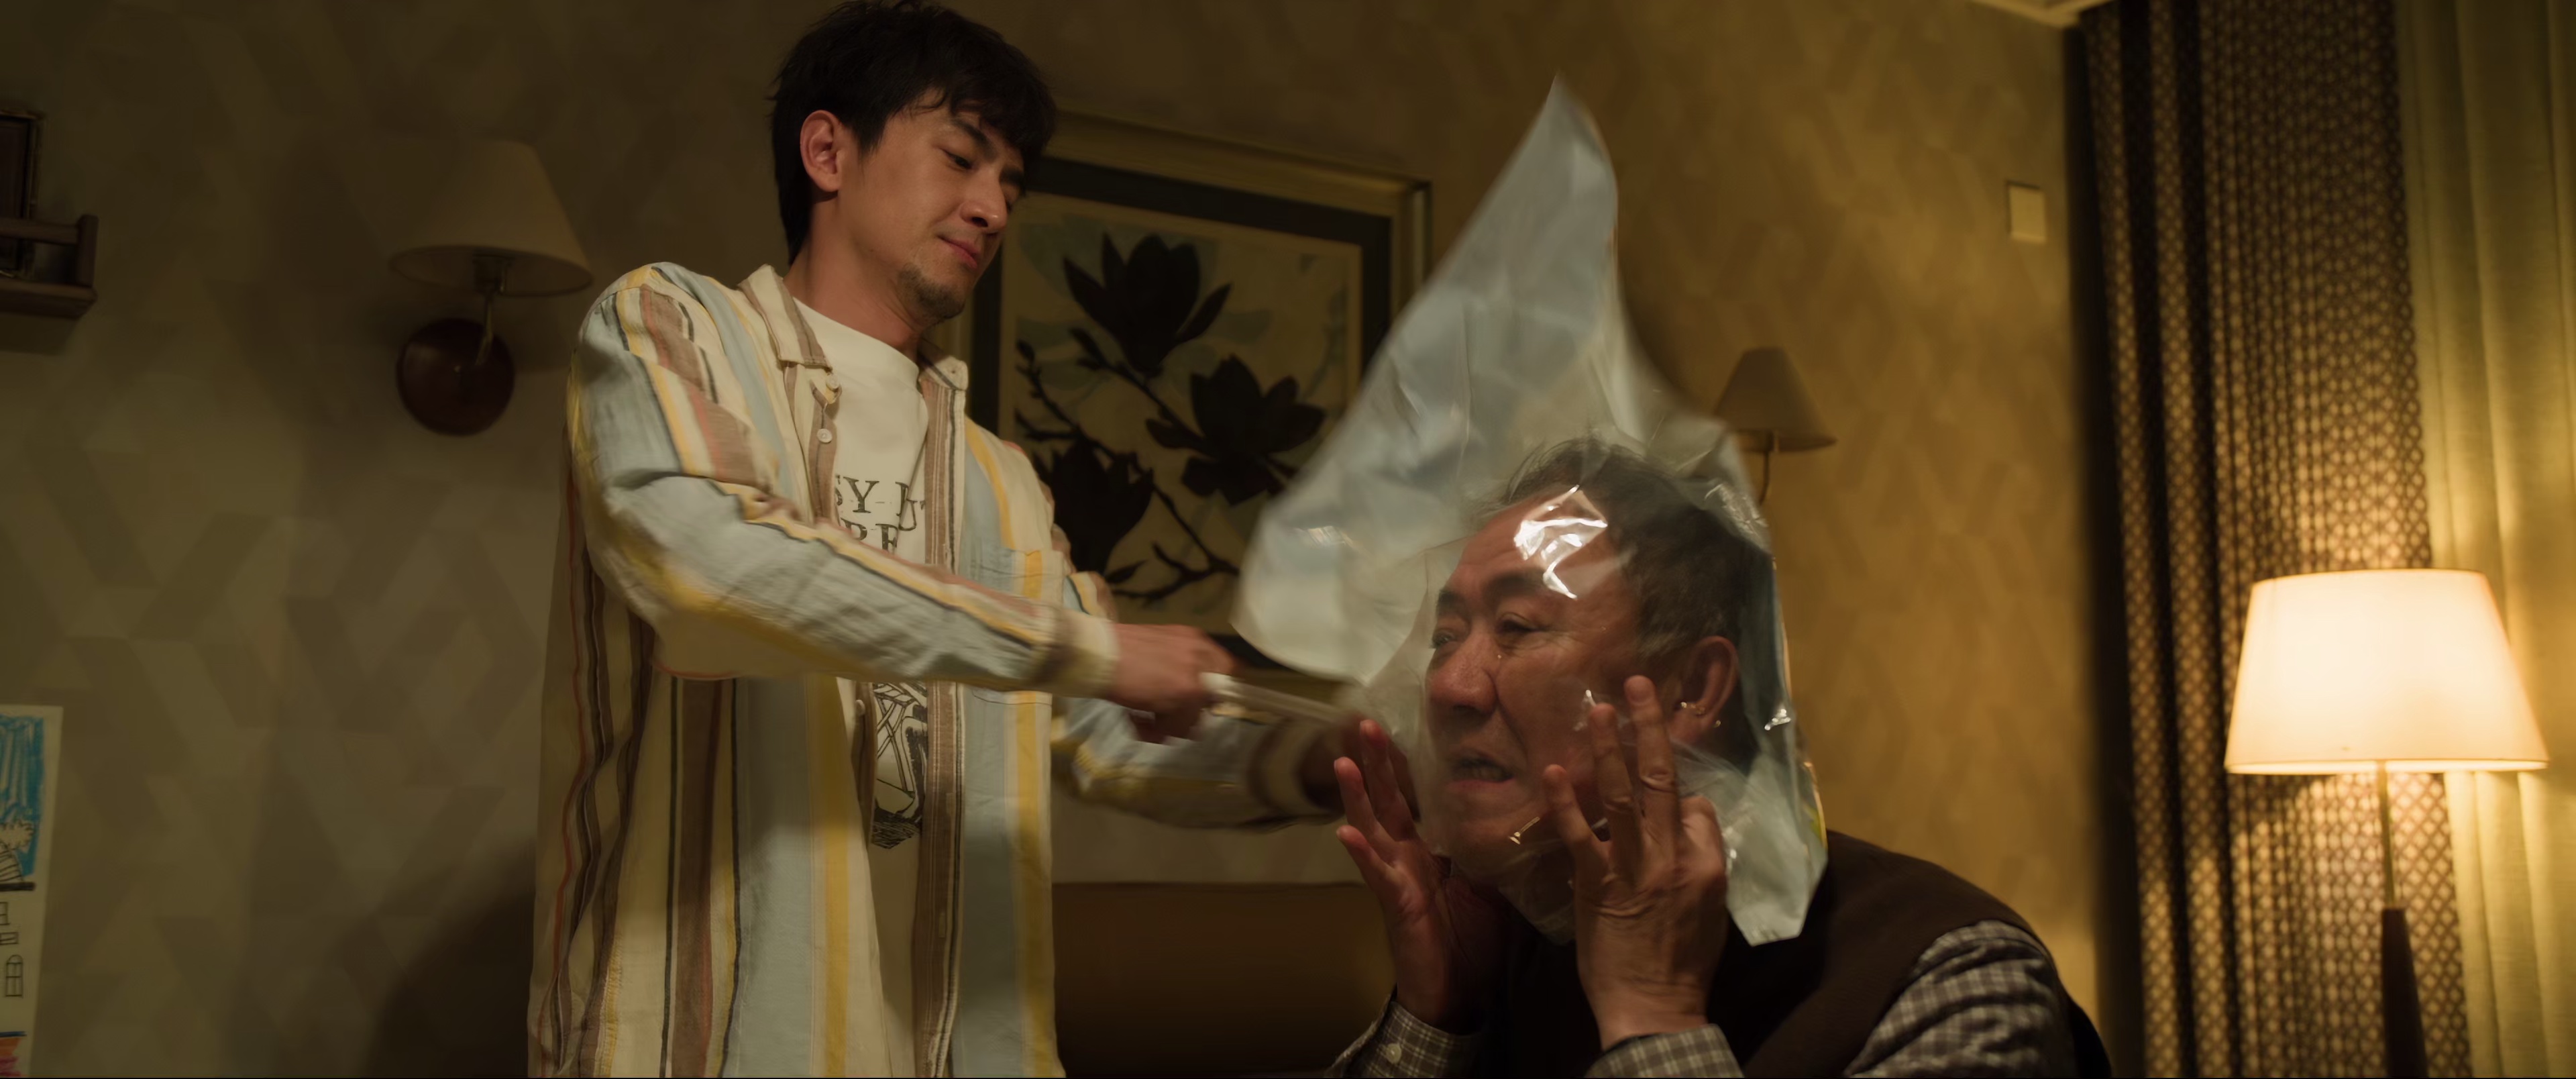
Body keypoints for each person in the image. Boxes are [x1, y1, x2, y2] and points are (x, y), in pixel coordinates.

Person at [527, 3, 1354, 1074]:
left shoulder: (999, 479)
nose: (993, 207)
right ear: (828, 152)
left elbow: (1104, 734)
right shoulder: (670, 327)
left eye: (1012, 183)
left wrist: (1342, 760)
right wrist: (1091, 646)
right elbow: (710, 566)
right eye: (961, 158)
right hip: (704, 1046)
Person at [1327, 443, 2110, 1077]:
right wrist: (1438, 1019)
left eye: (1518, 627)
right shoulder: (1509, 949)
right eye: (1445, 638)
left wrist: (1652, 1018)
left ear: (1693, 690)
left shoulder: (1944, 975)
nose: (1451, 687)